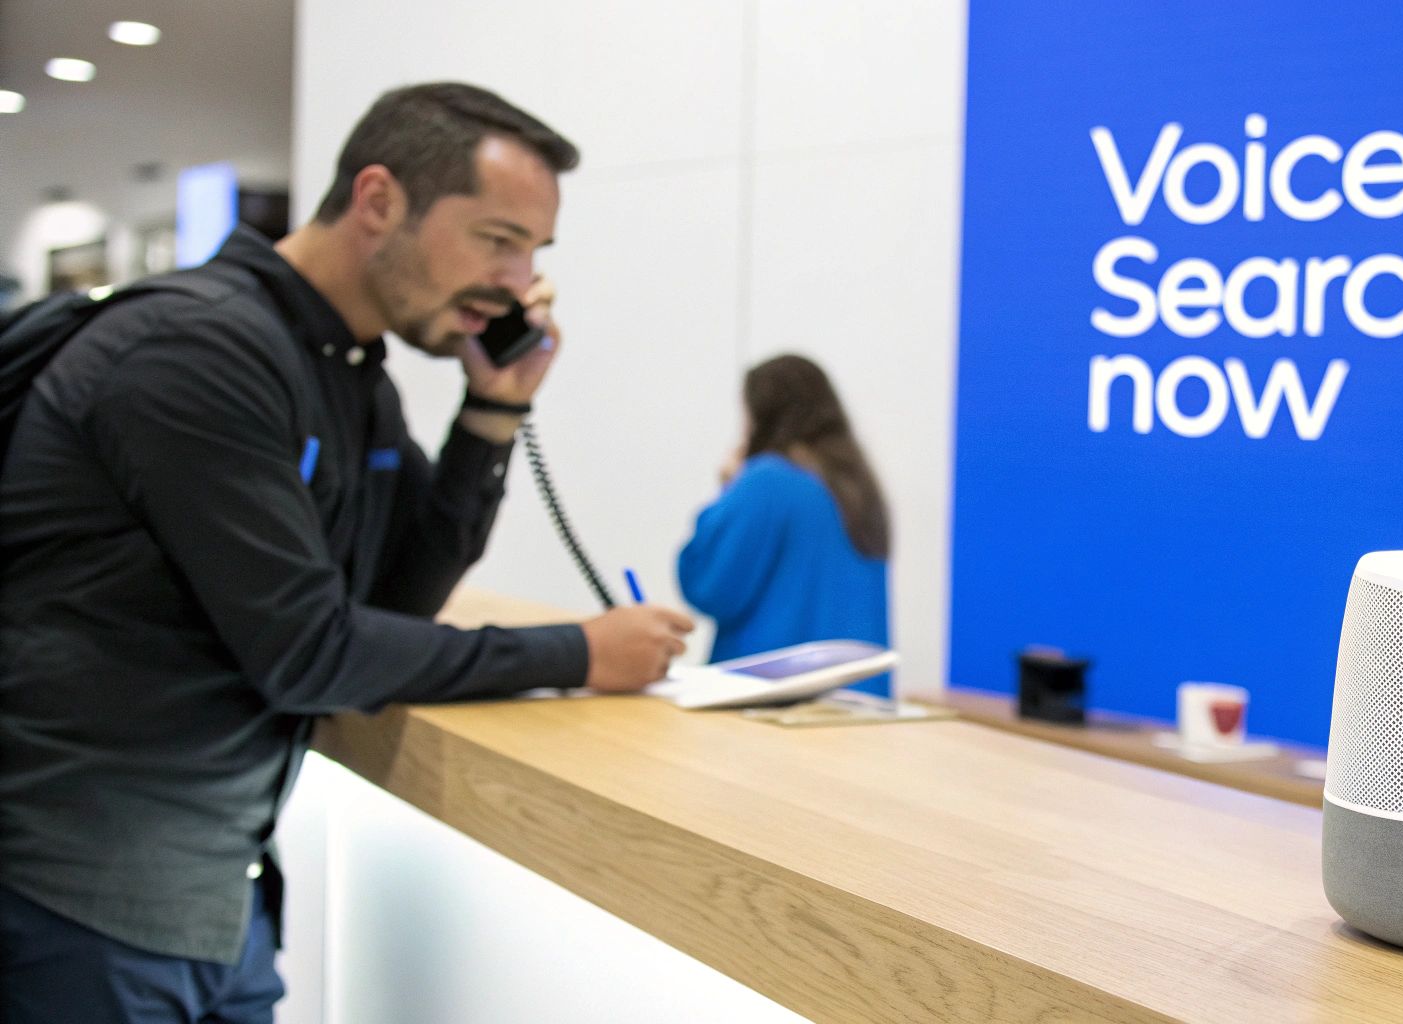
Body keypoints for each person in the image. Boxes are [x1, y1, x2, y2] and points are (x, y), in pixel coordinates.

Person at [0, 83, 694, 1023]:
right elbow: (309, 652)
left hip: (216, 902)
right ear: (378, 200)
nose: (520, 280)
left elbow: (397, 601)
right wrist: (582, 651)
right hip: (80, 906)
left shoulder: (345, 372)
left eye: (534, 250)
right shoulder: (195, 354)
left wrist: (493, 412)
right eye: (497, 238)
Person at [678, 354, 890, 696]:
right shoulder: (857, 485)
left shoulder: (766, 480)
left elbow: (709, 586)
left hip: (770, 702)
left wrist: (728, 490)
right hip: (857, 703)